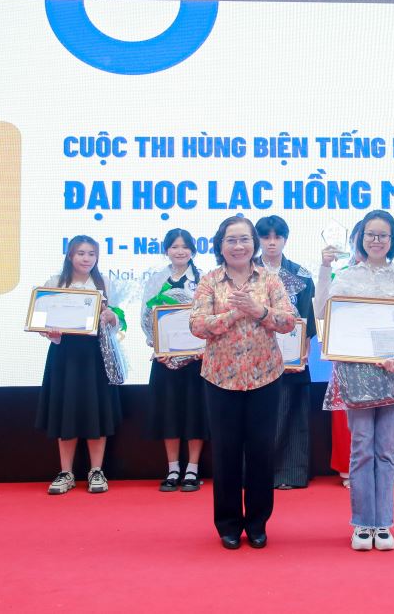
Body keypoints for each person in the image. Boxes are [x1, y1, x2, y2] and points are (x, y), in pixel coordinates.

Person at [189, 216, 297, 549]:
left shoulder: (270, 280)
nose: (239, 246)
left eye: (244, 239)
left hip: (265, 377)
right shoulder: (210, 281)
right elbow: (197, 325)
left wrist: (258, 310)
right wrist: (234, 314)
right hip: (221, 379)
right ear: (220, 245)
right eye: (231, 240)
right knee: (226, 453)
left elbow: (288, 321)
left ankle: (258, 522)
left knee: (262, 452)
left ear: (255, 243)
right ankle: (229, 524)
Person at [326, 210, 394, 551]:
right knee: (361, 448)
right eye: (370, 234)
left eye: (383, 235)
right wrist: (324, 270)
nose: (376, 240)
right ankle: (361, 523)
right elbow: (327, 316)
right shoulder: (346, 278)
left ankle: (383, 523)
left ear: (392, 240)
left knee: (385, 449)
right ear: (361, 238)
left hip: (393, 372)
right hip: (357, 373)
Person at [35, 235, 122, 494]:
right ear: (70, 255)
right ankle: (66, 472)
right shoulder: (55, 283)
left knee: (97, 411)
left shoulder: (104, 282)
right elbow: (41, 321)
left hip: (96, 356)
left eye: (91, 254)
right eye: (81, 253)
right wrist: (49, 331)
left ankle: (97, 471)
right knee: (66, 411)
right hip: (64, 357)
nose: (86, 258)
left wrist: (111, 317)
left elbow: (118, 321)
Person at [140, 228, 208, 492]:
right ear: (166, 250)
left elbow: (210, 315)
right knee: (169, 413)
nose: (180, 251)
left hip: (197, 360)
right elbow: (147, 317)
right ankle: (172, 468)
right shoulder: (157, 280)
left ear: (193, 250)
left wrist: (203, 346)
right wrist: (158, 345)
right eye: (174, 247)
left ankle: (192, 469)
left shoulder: (203, 279)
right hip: (165, 360)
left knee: (196, 414)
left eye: (185, 246)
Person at [254, 215, 316, 490]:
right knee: (258, 417)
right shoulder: (247, 273)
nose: (271, 242)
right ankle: (255, 475)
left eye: (277, 237)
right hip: (254, 357)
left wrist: (304, 348)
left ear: (285, 239)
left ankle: (289, 474)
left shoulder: (301, 275)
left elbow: (307, 318)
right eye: (266, 237)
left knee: (291, 412)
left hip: (291, 357)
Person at [316, 219, 364, 489]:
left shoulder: (393, 276)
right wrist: (325, 268)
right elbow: (321, 310)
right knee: (344, 411)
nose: (369, 242)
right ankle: (347, 467)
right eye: (362, 237)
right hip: (347, 352)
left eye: (378, 236)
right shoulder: (340, 274)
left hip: (381, 355)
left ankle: (376, 465)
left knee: (380, 414)